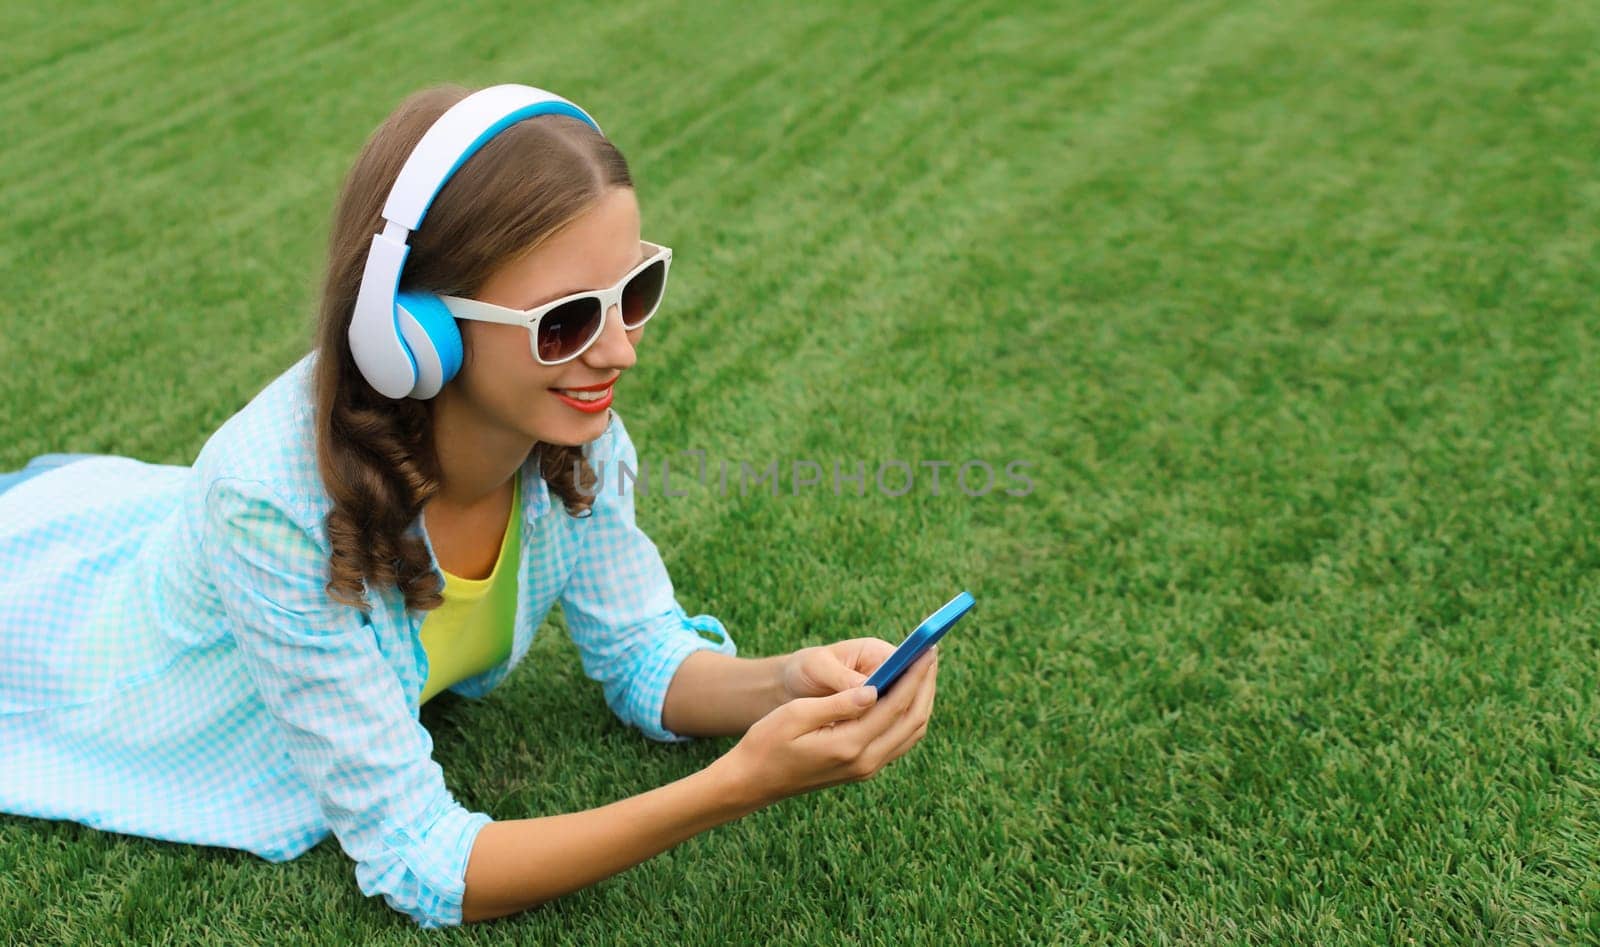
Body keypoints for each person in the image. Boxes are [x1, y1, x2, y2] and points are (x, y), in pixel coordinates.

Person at [0, 83, 939, 928]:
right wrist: (735, 786)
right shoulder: (271, 505)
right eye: (565, 320)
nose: (619, 353)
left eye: (634, 293)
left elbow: (643, 651)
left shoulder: (569, 430)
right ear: (415, 331)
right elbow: (422, 862)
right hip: (93, 671)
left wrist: (787, 685)